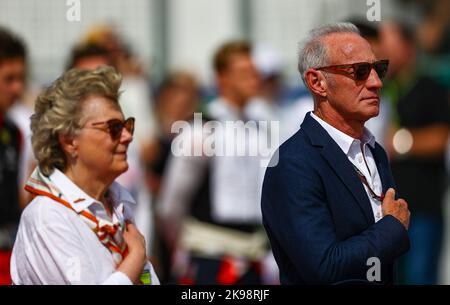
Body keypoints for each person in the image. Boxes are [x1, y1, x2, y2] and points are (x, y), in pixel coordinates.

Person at [261, 23, 411, 284]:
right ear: (317, 82)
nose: (376, 82)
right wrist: (391, 228)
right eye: (360, 72)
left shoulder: (375, 152)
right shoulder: (293, 163)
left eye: (379, 69)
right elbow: (324, 266)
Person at [10, 66, 159, 285]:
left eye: (127, 125)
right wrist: (136, 258)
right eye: (114, 127)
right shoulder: (48, 216)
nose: (128, 136)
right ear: (70, 141)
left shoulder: (117, 208)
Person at [157, 41, 274, 284]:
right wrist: (187, 249)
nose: (253, 79)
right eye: (243, 73)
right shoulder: (202, 128)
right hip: (209, 259)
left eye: (255, 72)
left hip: (253, 256)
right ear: (222, 79)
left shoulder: (260, 127)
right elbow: (171, 204)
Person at [381, 21, 450, 284]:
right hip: (387, 213)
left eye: (389, 45)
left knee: (421, 277)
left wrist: (398, 142)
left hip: (422, 210)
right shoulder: (383, 89)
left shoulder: (429, 87)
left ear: (408, 48)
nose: (382, 52)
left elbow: (441, 138)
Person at [0, 26, 26, 285]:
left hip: (9, 262)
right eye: (9, 79)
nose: (17, 88)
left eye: (21, 78)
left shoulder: (14, 132)